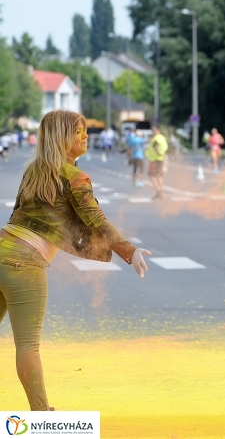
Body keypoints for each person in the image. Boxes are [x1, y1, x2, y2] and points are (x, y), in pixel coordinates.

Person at [1, 109, 150, 411]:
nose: (85, 136)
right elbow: (97, 221)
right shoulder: (75, 177)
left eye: (84, 130)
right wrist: (129, 250)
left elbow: (16, 215)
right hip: (24, 263)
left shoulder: (34, 170)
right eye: (78, 131)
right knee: (28, 344)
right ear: (61, 138)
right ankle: (42, 417)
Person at [146, 126, 168, 199]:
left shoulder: (156, 138)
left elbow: (156, 146)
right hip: (160, 159)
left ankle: (159, 190)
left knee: (152, 175)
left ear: (158, 130)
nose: (153, 131)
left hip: (155, 159)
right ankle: (160, 192)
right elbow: (165, 148)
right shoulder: (162, 137)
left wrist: (158, 153)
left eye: (154, 130)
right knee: (159, 176)